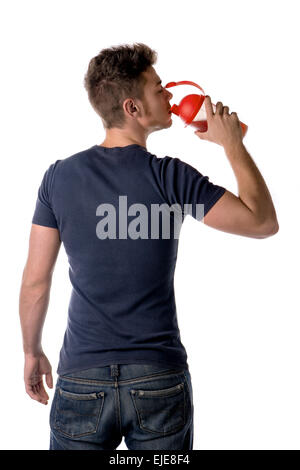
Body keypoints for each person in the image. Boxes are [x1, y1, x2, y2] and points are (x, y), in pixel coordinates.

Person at [19, 43, 279, 451]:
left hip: (81, 378)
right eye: (159, 88)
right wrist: (232, 144)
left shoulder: (58, 178)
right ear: (132, 108)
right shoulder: (171, 178)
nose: (170, 96)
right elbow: (262, 222)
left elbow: (36, 283)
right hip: (158, 379)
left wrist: (31, 352)